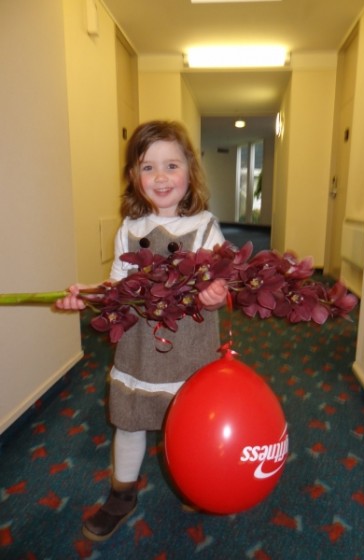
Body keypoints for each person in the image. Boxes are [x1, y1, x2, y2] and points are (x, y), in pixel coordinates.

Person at [56, 120, 228, 541]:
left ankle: (191, 480)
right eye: (148, 167)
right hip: (139, 348)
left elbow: (223, 282)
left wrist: (215, 293)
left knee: (186, 421)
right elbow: (116, 287)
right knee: (131, 421)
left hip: (189, 345)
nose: (161, 177)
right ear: (135, 175)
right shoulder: (129, 230)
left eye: (171, 165)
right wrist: (87, 296)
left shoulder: (205, 225)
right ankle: (122, 494)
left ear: (190, 171)